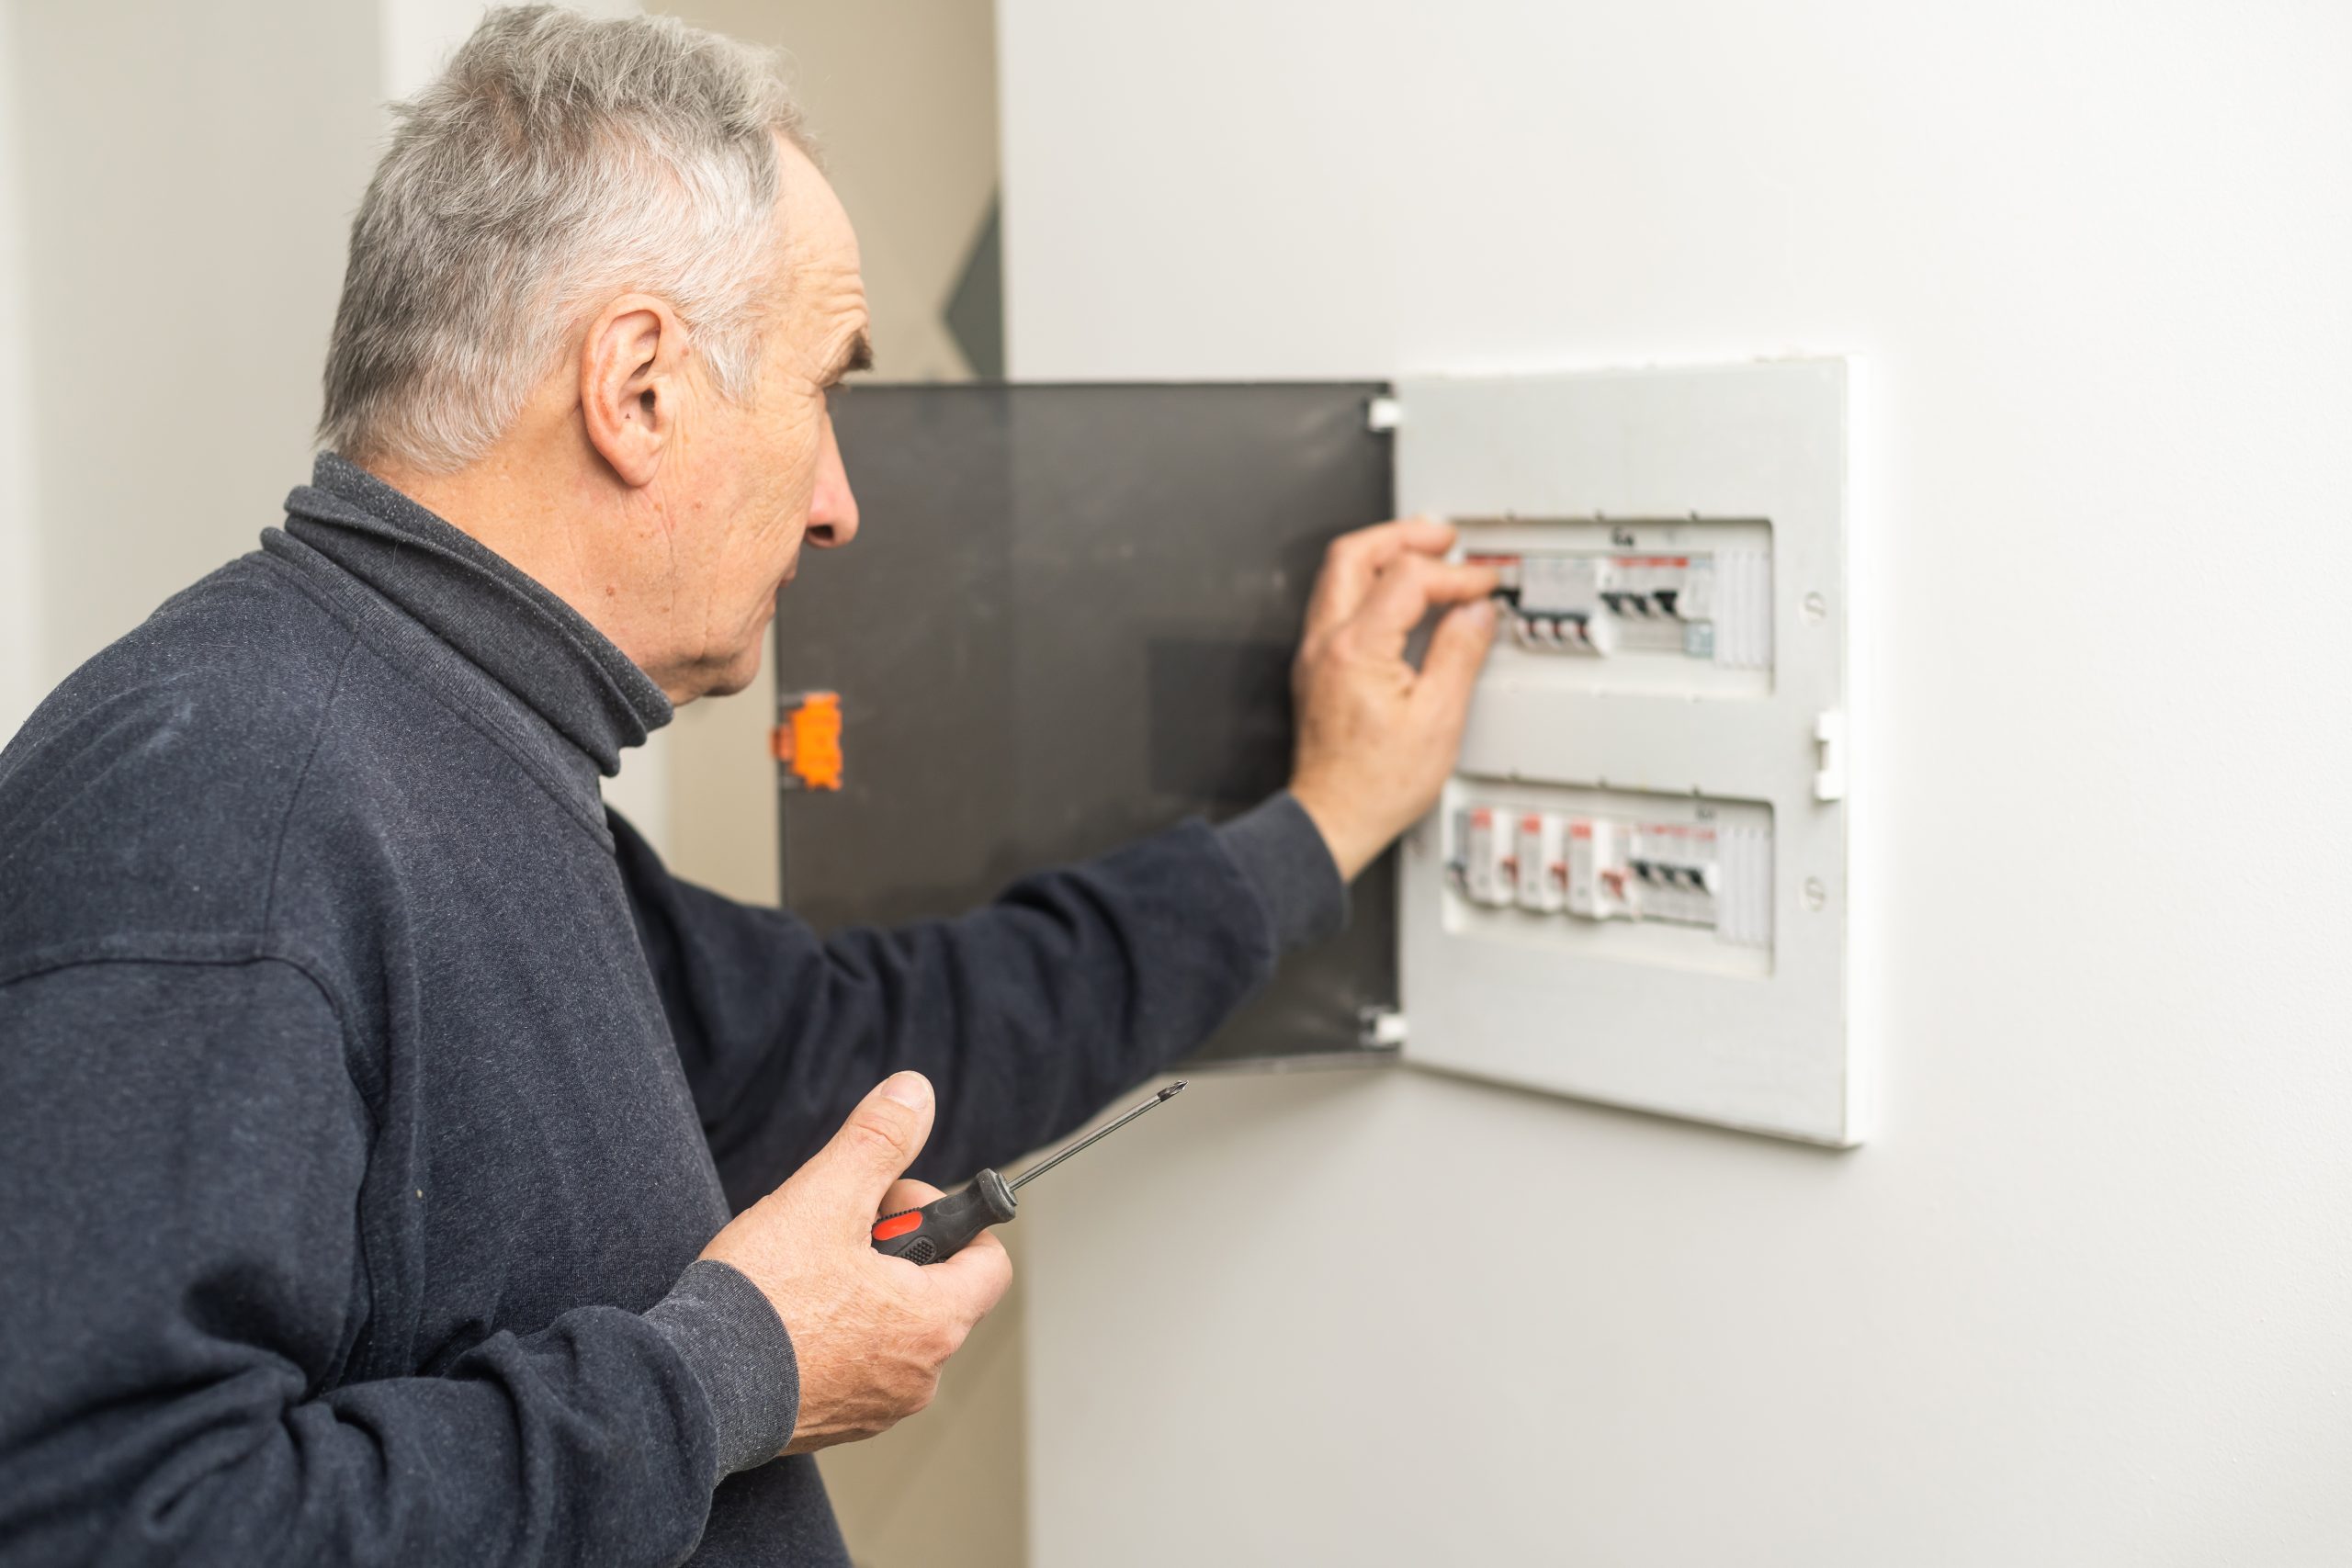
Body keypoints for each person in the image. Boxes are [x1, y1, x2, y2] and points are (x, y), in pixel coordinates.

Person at [0, 8, 1498, 1565]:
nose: (840, 507)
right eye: (824, 392)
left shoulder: (465, 757)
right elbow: (100, 1524)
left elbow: (858, 1048)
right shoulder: (222, 812)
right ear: (639, 387)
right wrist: (730, 1374)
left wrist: (1320, 827)